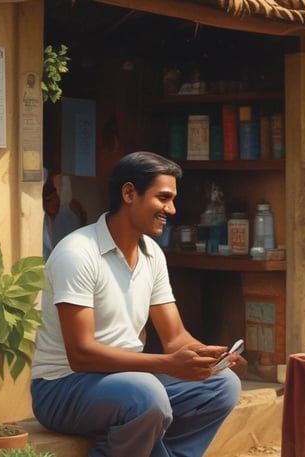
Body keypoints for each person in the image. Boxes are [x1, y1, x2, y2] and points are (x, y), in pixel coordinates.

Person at [31, 151, 243, 456]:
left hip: (126, 383)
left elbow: (175, 338)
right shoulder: (77, 253)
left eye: (171, 200)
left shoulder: (152, 254)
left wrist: (210, 358)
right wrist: (168, 365)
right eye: (163, 198)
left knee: (222, 386)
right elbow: (81, 355)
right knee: (147, 394)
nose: (171, 209)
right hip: (62, 388)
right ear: (129, 193)